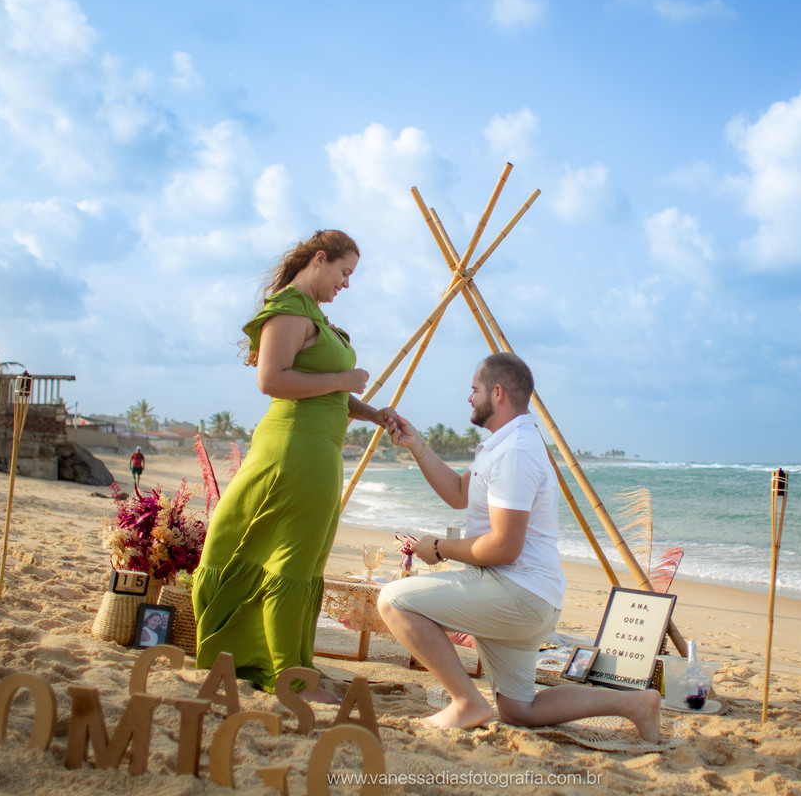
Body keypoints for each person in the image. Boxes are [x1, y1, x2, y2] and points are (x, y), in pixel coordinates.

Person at [378, 352, 661, 742]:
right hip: (521, 592)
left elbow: (504, 547)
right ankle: (635, 704)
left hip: (517, 592)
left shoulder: (515, 452)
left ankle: (465, 702)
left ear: (497, 393)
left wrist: (440, 548)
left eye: (474, 389)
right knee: (519, 710)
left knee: (393, 600)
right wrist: (417, 445)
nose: (468, 398)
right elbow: (460, 494)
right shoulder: (505, 443)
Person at [192, 230, 397, 703]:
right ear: (320, 260)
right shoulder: (288, 309)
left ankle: (293, 665)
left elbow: (325, 390)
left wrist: (372, 414)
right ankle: (289, 677)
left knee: (303, 559)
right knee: (291, 560)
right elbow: (272, 379)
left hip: (319, 449)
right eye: (344, 272)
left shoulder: (311, 314)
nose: (346, 283)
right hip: (293, 449)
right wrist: (345, 376)